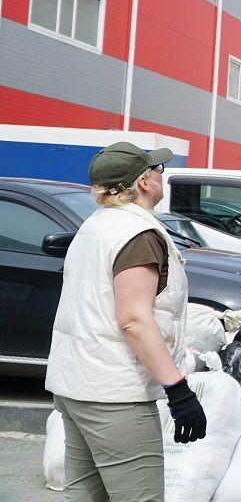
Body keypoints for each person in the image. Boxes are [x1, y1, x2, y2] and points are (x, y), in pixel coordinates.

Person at [46, 142, 207, 502]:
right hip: (115, 395)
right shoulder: (137, 235)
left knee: (87, 496)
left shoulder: (96, 225)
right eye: (157, 169)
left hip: (77, 385)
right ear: (144, 181)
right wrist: (178, 390)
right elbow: (134, 319)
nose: (161, 174)